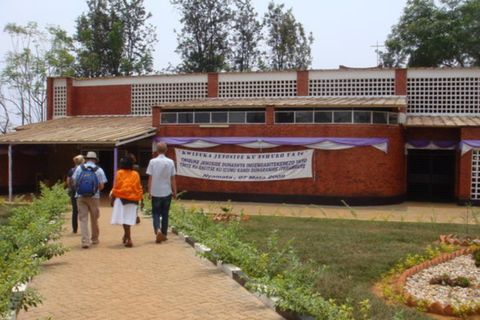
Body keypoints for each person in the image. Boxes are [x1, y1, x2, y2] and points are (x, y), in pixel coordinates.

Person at [72, 151, 107, 249]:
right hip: (94, 197)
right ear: (95, 160)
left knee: (83, 219)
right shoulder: (99, 170)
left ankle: (85, 241)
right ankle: (95, 239)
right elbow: (101, 186)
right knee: (94, 219)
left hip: (80, 196)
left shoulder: (79, 168)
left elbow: (74, 183)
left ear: (86, 159)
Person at [146, 142, 177, 244]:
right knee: (165, 214)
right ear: (166, 150)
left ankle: (157, 229)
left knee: (155, 212)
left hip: (156, 192)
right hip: (167, 191)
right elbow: (173, 178)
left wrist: (149, 191)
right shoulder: (170, 162)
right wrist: (175, 191)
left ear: (157, 150)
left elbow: (150, 178)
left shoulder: (152, 162)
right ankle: (164, 234)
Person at [110, 156, 143, 247]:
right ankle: (126, 236)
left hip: (122, 198)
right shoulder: (135, 174)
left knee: (125, 220)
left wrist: (112, 199)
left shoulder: (119, 173)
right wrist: (141, 200)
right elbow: (139, 187)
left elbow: (117, 186)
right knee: (128, 220)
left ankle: (129, 239)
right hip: (133, 199)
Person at [66, 155, 85, 233]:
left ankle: (74, 229)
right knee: (83, 210)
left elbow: (68, 182)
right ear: (82, 161)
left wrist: (72, 187)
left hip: (73, 192)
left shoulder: (71, 170)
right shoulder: (84, 170)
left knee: (74, 210)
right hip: (82, 191)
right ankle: (83, 229)